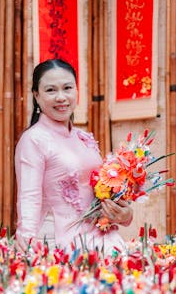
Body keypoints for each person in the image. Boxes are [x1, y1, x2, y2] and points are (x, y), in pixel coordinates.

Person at [15, 59, 133, 255]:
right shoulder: (33, 140)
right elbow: (29, 196)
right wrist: (27, 243)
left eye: (67, 88)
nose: (61, 97)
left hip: (101, 236)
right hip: (60, 242)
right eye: (51, 90)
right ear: (36, 95)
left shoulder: (83, 137)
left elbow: (101, 191)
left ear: (77, 91)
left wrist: (124, 213)